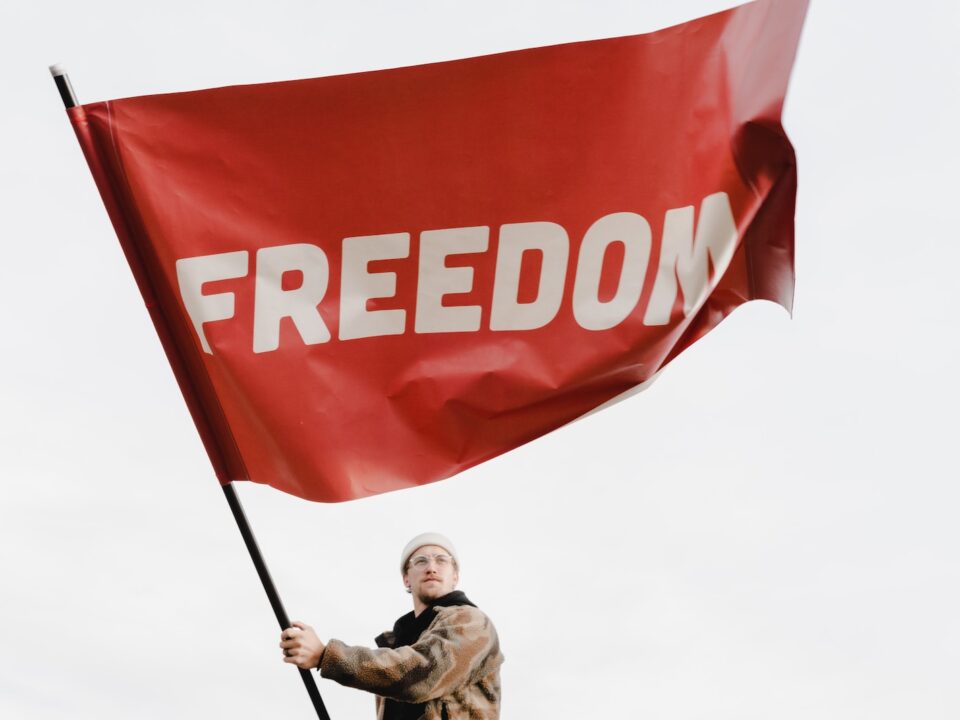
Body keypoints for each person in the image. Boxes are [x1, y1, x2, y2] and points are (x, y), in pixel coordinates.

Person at [280, 532, 504, 720]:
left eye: (441, 560)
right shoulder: (398, 645)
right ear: (407, 578)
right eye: (421, 561)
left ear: (455, 576)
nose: (431, 568)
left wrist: (326, 656)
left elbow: (421, 673)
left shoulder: (471, 621)